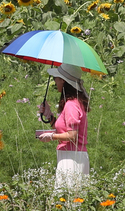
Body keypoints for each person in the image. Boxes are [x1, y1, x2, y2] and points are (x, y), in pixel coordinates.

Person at [37, 63, 90, 191]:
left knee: (66, 200)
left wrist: (51, 136)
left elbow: (72, 135)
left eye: (56, 78)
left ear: (63, 81)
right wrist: (49, 116)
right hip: (70, 156)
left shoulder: (71, 105)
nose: (55, 81)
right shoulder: (72, 103)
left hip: (72, 158)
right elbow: (63, 129)